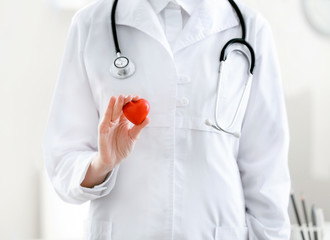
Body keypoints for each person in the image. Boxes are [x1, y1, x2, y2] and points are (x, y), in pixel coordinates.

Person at [42, 0, 291, 239]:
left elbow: (267, 171)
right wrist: (102, 164)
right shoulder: (90, 25)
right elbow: (63, 161)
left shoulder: (251, 29)